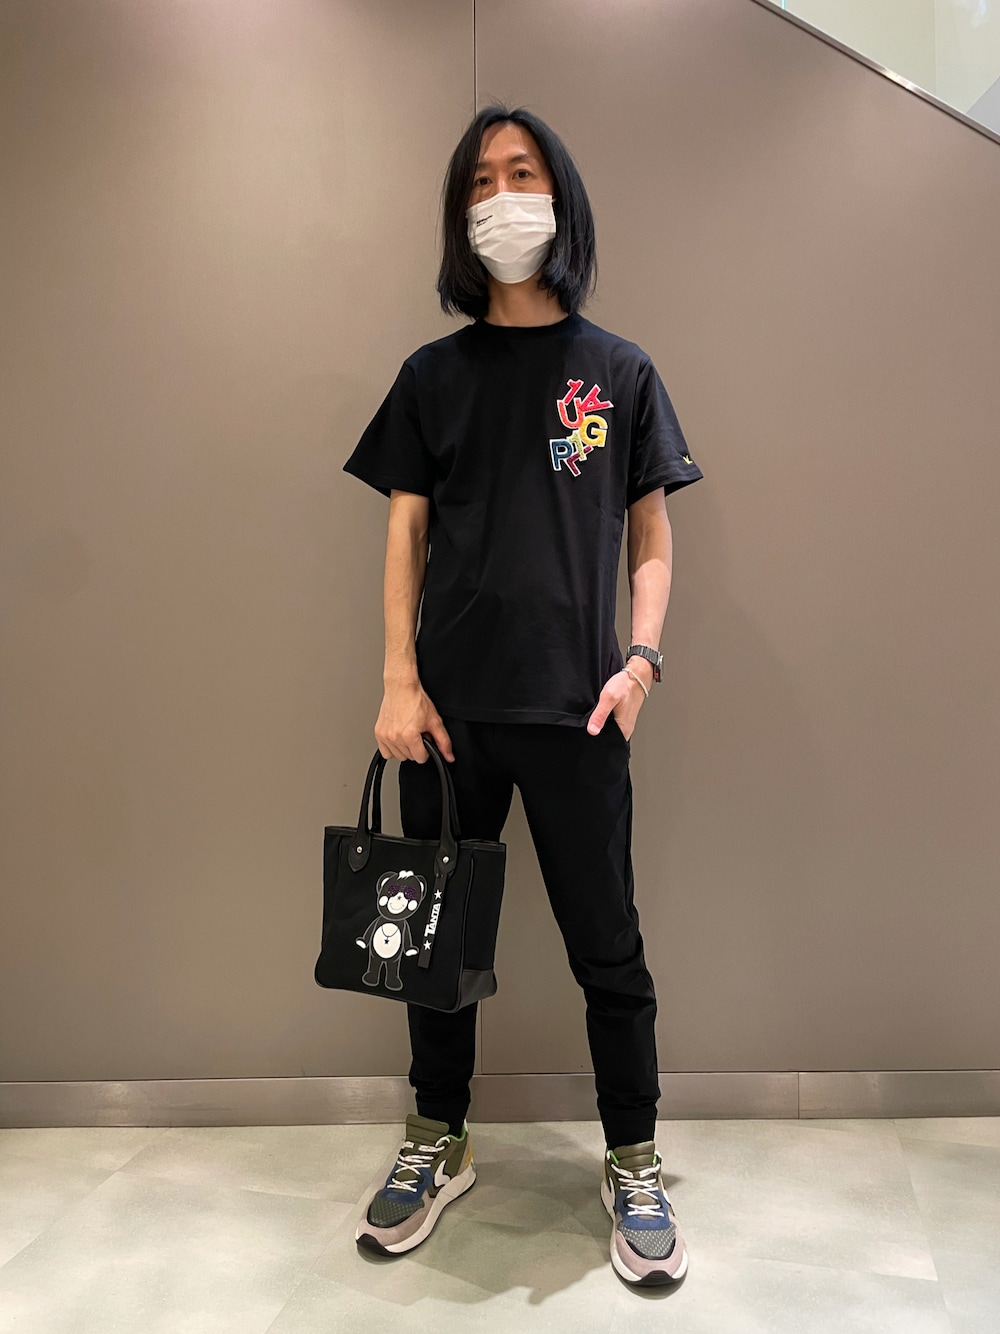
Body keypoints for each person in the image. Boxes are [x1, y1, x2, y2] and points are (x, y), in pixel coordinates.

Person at [341, 103, 703, 1287]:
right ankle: (436, 1136)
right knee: (432, 948)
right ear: (460, 216)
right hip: (444, 722)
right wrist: (397, 680)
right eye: (480, 182)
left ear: (561, 198)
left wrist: (639, 663)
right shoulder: (430, 377)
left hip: (579, 713)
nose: (502, 197)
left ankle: (633, 1155)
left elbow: (652, 537)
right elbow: (404, 536)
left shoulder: (620, 373)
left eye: (523, 172)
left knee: (610, 950)